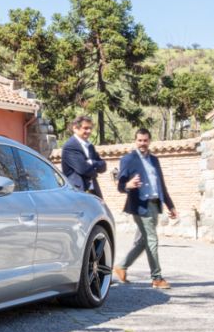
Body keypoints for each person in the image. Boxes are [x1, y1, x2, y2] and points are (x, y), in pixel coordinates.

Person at [114, 128, 177, 289]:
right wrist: (128, 185)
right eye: (139, 140)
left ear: (149, 141)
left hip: (155, 204)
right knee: (152, 239)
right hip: (140, 205)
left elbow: (161, 184)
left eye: (145, 140)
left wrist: (170, 205)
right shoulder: (128, 159)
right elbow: (120, 185)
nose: (142, 143)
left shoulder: (154, 160)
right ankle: (156, 277)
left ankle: (121, 266)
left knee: (144, 241)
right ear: (135, 141)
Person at [61, 115, 106, 197]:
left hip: (93, 191)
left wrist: (92, 162)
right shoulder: (70, 146)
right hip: (78, 191)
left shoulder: (90, 146)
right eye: (85, 128)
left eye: (90, 128)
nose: (89, 131)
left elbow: (103, 166)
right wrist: (95, 171)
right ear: (75, 128)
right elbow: (83, 169)